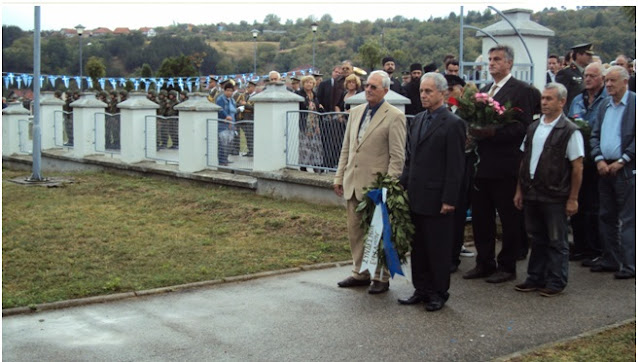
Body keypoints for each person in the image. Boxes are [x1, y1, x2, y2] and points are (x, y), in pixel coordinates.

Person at [463, 44, 537, 284]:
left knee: (508, 217)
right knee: (481, 217)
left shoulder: (521, 90)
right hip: (481, 165)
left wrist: (492, 132)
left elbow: (522, 126)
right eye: (490, 59)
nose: (491, 63)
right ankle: (484, 262)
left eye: (496, 59)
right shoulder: (484, 90)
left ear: (509, 63)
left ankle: (507, 265)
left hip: (505, 165)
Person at [333, 70, 406, 294]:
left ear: (385, 90)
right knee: (355, 231)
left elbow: (397, 157)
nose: (368, 90)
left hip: (376, 186)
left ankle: (380, 277)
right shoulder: (355, 113)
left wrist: (389, 186)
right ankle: (360, 273)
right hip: (353, 182)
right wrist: (339, 176)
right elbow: (346, 148)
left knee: (378, 232)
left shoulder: (394, 116)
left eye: (374, 87)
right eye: (367, 86)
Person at [398, 72, 465, 311]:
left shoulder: (453, 123)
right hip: (416, 194)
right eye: (421, 92)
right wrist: (400, 185)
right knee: (419, 247)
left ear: (443, 93)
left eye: (428, 91)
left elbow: (456, 166)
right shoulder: (417, 119)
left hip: (438, 197)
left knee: (437, 247)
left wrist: (449, 198)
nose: (424, 96)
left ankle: (439, 292)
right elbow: (410, 159)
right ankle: (422, 288)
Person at [513, 82, 584, 297]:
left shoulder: (569, 130)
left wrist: (573, 198)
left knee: (557, 240)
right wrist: (519, 190)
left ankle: (556, 280)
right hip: (532, 190)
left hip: (554, 193)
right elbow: (524, 160)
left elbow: (577, 166)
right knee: (537, 237)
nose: (544, 102)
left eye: (549, 99)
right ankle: (535, 277)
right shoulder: (533, 127)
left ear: (562, 102)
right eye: (543, 98)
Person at [589, 65, 636, 279]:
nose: (608, 85)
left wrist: (623, 159)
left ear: (625, 82)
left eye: (613, 81)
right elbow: (594, 134)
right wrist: (598, 158)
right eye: (606, 80)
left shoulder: (634, 104)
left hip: (625, 169)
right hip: (604, 167)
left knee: (628, 219)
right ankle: (611, 259)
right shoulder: (605, 105)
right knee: (606, 216)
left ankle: (630, 265)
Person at [567, 62, 607, 265]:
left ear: (602, 78)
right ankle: (580, 247)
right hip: (577, 158)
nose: (588, 79)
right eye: (586, 76)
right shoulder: (577, 99)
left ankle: (595, 248)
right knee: (577, 204)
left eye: (593, 76)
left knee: (594, 206)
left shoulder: (606, 100)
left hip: (597, 159)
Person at [296, 75, 324, 173]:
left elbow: (317, 105)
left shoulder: (315, 95)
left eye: (311, 82)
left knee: (315, 145)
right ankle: (303, 166)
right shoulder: (299, 94)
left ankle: (317, 165)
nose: (309, 84)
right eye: (307, 82)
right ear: (303, 84)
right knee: (305, 146)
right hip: (304, 123)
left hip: (315, 124)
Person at [556, 43, 594, 113]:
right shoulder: (566, 73)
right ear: (578, 55)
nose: (590, 57)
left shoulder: (586, 73)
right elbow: (560, 96)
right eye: (588, 55)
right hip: (571, 114)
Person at [216, 81, 238, 166]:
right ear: (224, 91)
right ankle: (222, 160)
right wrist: (226, 116)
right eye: (227, 90)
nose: (229, 92)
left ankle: (226, 158)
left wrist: (234, 124)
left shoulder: (232, 100)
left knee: (229, 143)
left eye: (231, 91)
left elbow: (234, 112)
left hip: (231, 125)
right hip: (223, 124)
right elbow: (220, 109)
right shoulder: (220, 99)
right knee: (223, 143)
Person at [240, 80, 257, 157]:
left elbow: (254, 108)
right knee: (247, 135)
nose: (247, 88)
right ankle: (250, 150)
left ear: (253, 87)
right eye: (247, 87)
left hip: (251, 118)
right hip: (245, 117)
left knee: (251, 136)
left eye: (249, 87)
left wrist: (245, 104)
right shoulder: (246, 96)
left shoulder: (256, 97)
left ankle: (253, 151)